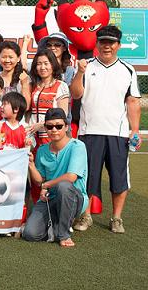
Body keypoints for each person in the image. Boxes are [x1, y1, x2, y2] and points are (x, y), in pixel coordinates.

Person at [71, 26, 141, 234]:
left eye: (111, 42)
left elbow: (132, 101)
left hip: (118, 133)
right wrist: (80, 72)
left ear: (118, 45)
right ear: (97, 43)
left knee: (119, 178)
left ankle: (116, 218)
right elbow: (76, 94)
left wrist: (135, 130)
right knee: (88, 176)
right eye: (102, 41)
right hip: (89, 131)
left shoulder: (128, 69)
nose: (106, 46)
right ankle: (86, 215)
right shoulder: (86, 66)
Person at [23, 108, 88, 248]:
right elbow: (39, 180)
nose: (54, 129)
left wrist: (46, 186)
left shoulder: (77, 146)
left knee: (63, 186)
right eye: (49, 126)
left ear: (66, 127)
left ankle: (63, 234)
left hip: (73, 197)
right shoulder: (42, 150)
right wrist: (31, 165)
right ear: (45, 128)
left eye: (58, 126)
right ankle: (57, 223)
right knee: (30, 234)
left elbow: (71, 177)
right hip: (49, 198)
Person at [27, 49, 70, 148]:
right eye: (39, 64)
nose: (42, 67)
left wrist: (42, 125)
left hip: (51, 136)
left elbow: (62, 115)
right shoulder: (33, 86)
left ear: (53, 65)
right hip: (32, 138)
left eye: (46, 63)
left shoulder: (60, 85)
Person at [0, 41, 31, 107]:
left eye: (11, 57)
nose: (7, 60)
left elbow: (26, 106)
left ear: (18, 58)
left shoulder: (24, 78)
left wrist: (24, 84)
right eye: (4, 57)